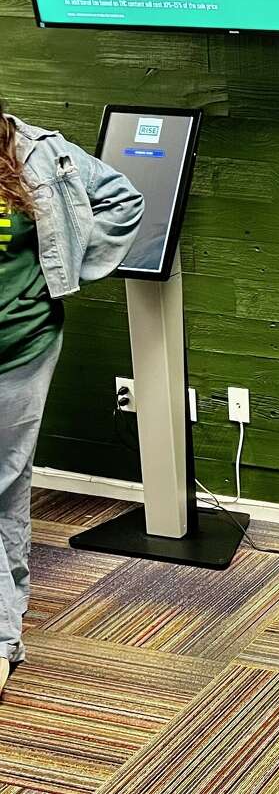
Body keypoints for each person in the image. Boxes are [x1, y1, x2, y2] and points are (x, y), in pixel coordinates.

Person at [1, 105, 143, 698]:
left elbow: (122, 198)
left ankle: (4, 633)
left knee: (7, 485)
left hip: (23, 347)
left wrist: (66, 269)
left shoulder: (36, 151)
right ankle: (5, 631)